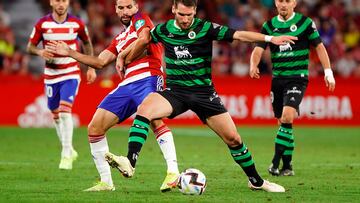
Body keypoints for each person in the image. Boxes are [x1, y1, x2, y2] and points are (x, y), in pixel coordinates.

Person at [106, 0, 298, 192]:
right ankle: (130, 162)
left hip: (204, 94)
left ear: (195, 11)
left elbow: (238, 35)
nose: (185, 19)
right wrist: (124, 55)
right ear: (173, 9)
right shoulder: (163, 30)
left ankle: (257, 181)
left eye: (189, 15)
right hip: (176, 92)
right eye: (181, 14)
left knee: (233, 139)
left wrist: (269, 39)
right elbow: (144, 40)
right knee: (145, 109)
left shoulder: (205, 28)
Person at [46, 0, 180, 192]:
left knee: (154, 118)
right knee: (94, 127)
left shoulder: (141, 19)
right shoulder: (119, 38)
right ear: (115, 10)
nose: (125, 11)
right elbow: (99, 62)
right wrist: (70, 52)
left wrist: (123, 56)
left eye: (129, 7)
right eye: (121, 8)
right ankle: (106, 182)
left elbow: (144, 39)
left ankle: (173, 171)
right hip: (126, 84)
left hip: (149, 77)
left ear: (136, 7)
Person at [249, 0, 336, 176]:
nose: (283, 4)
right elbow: (259, 48)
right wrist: (253, 64)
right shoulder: (269, 25)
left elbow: (319, 47)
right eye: (280, 0)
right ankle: (287, 167)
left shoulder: (305, 23)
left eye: (287, 1)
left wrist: (328, 72)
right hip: (277, 80)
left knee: (287, 117)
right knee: (282, 123)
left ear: (294, 3)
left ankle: (274, 163)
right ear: (275, 3)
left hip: (297, 78)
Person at [27, 0, 96, 170]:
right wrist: (40, 51)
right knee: (55, 114)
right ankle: (69, 149)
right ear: (51, 2)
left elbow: (87, 43)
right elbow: (30, 47)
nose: (61, 4)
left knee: (65, 111)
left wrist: (91, 67)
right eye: (57, 0)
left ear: (68, 3)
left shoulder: (77, 23)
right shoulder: (42, 24)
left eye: (64, 0)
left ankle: (65, 153)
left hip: (71, 73)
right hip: (51, 75)